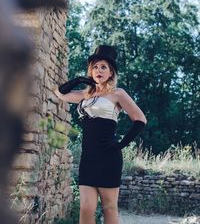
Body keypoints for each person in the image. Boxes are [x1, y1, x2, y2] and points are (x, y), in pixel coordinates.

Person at [54, 45, 147, 224]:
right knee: (86, 207)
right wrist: (80, 79)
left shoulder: (117, 94)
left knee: (109, 207)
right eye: (95, 66)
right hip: (88, 157)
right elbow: (60, 93)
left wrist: (120, 144)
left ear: (111, 72)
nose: (99, 70)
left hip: (108, 156)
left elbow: (140, 119)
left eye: (103, 67)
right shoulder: (84, 94)